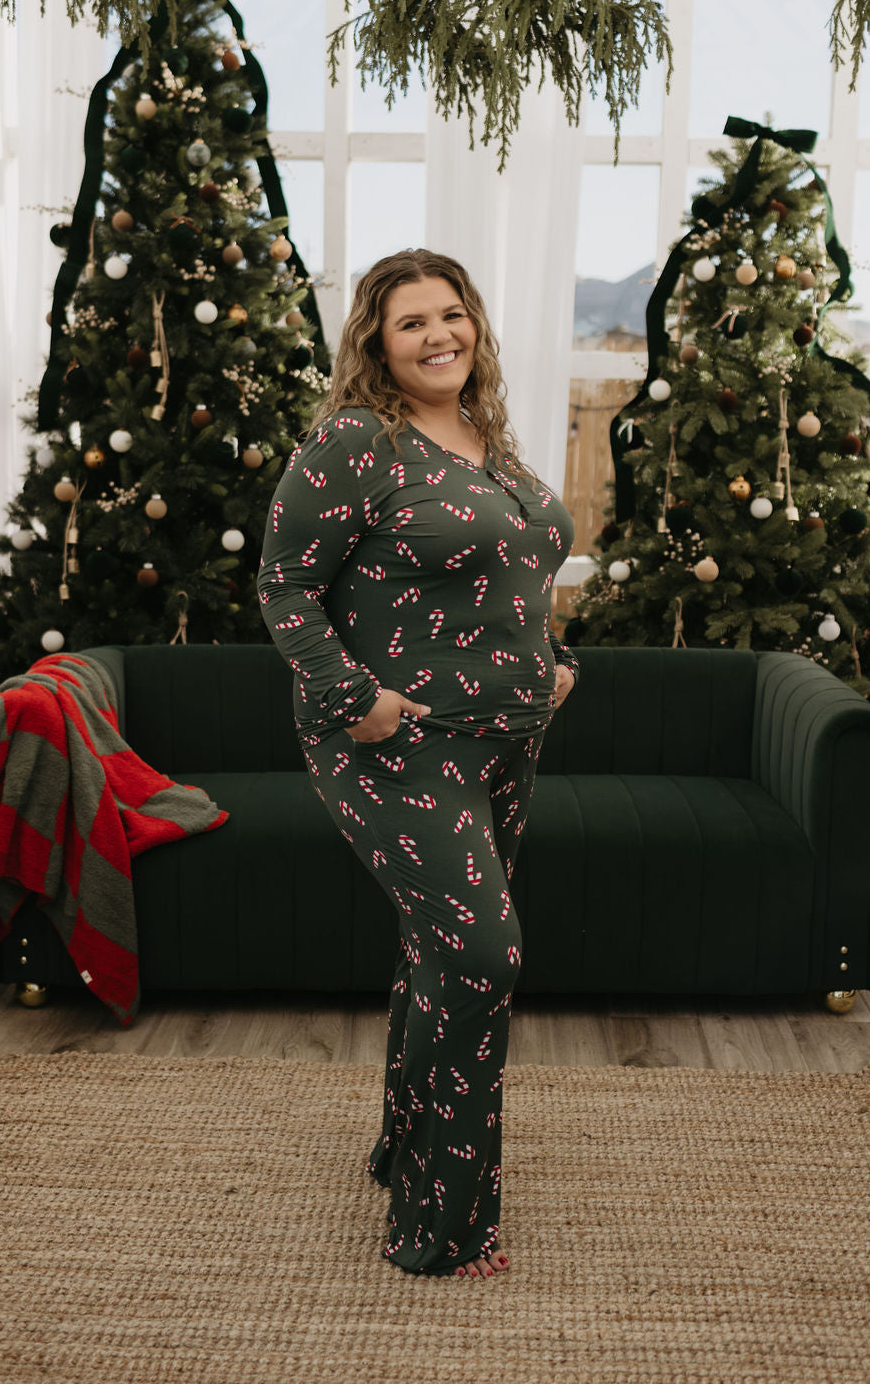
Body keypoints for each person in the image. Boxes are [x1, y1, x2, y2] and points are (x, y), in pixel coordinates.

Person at [257, 248, 579, 1278]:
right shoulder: (354, 442)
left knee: (441, 952)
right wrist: (354, 701)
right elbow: (284, 585)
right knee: (483, 954)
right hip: (399, 743)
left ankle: (406, 1148)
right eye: (412, 322)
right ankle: (442, 1221)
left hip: (505, 738)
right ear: (375, 342)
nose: (440, 334)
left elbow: (514, 569)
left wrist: (552, 659)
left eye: (452, 315)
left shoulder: (488, 436)